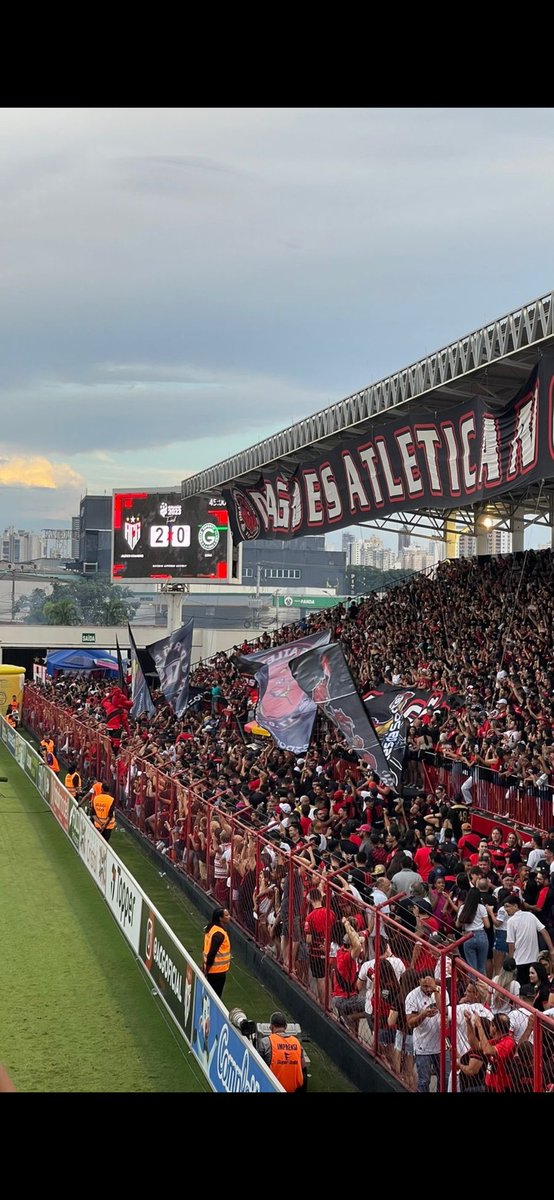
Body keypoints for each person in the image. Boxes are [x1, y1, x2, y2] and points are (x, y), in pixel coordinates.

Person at [505, 893, 554, 986]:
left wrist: (511, 959)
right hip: (533, 961)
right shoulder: (530, 915)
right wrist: (551, 949)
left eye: (507, 906)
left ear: (515, 906)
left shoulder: (511, 921)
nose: (506, 909)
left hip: (519, 961)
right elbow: (544, 932)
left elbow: (511, 943)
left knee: (521, 989)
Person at [258, 1011, 307, 1092]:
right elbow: (303, 1066)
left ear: (271, 1026)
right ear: (286, 1027)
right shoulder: (296, 1042)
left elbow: (258, 1067)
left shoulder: (266, 1042)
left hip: (272, 1088)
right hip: (293, 1089)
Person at [455, 887, 490, 975]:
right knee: (481, 967)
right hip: (481, 935)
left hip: (468, 936)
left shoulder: (463, 907)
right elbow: (487, 925)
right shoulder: (481, 907)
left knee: (471, 968)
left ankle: (472, 986)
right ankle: (482, 987)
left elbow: (457, 925)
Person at [202, 906, 231, 998]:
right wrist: (207, 970)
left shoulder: (211, 929)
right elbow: (212, 953)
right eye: (226, 915)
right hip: (217, 971)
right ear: (220, 918)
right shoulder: (219, 934)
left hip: (211, 969)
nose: (229, 917)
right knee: (216, 997)